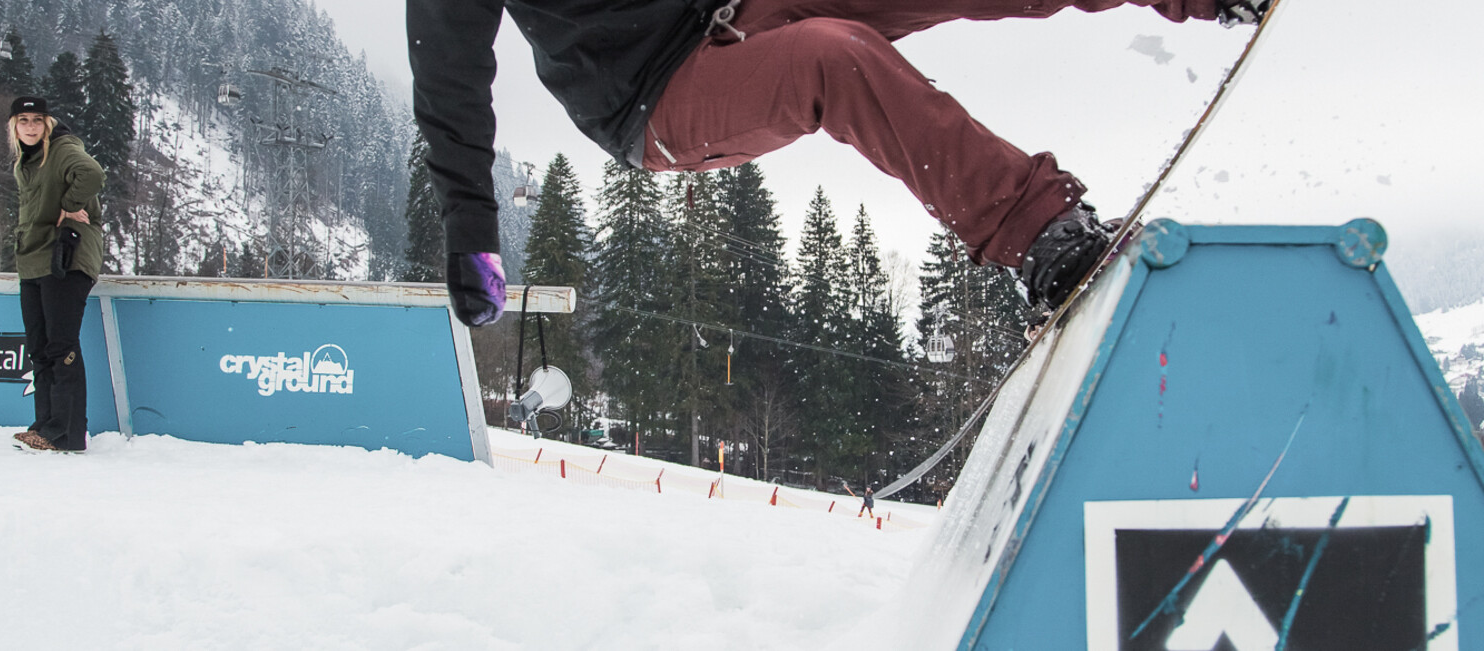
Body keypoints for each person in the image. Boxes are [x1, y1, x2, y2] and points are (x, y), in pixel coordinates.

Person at [408, 0, 1270, 327]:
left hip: (736, 7)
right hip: (657, 96)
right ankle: (1037, 236)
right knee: (834, 60)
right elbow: (452, 86)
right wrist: (471, 233)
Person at [7, 96, 106, 453]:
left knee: (60, 345)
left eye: (37, 120)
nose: (30, 127)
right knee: (39, 347)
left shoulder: (62, 150)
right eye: (23, 120)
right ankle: (44, 425)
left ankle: (63, 432)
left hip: (66, 255)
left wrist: (70, 205)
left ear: (47, 123)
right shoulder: (27, 161)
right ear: (14, 126)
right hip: (34, 259)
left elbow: (92, 173)